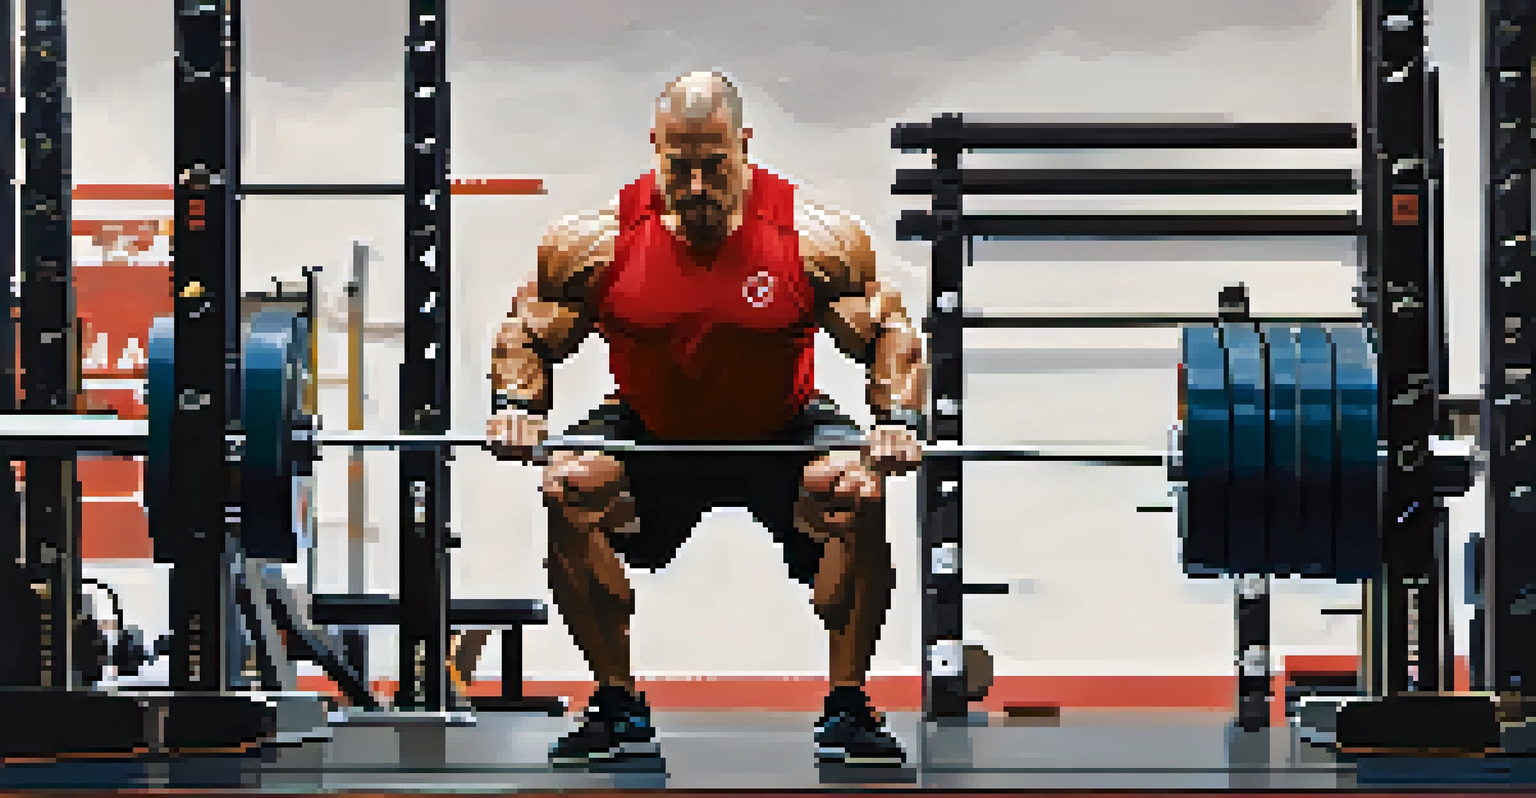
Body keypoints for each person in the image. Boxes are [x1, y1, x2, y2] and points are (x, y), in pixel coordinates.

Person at [486, 70, 927, 768]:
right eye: (680, 166)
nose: (696, 186)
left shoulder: (811, 237)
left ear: (744, 144)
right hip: (653, 427)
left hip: (782, 426)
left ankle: (848, 706)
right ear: (656, 147)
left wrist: (898, 417)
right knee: (567, 487)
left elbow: (887, 331)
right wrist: (517, 407)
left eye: (714, 166)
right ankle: (617, 705)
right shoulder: (598, 241)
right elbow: (528, 332)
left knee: (857, 491)